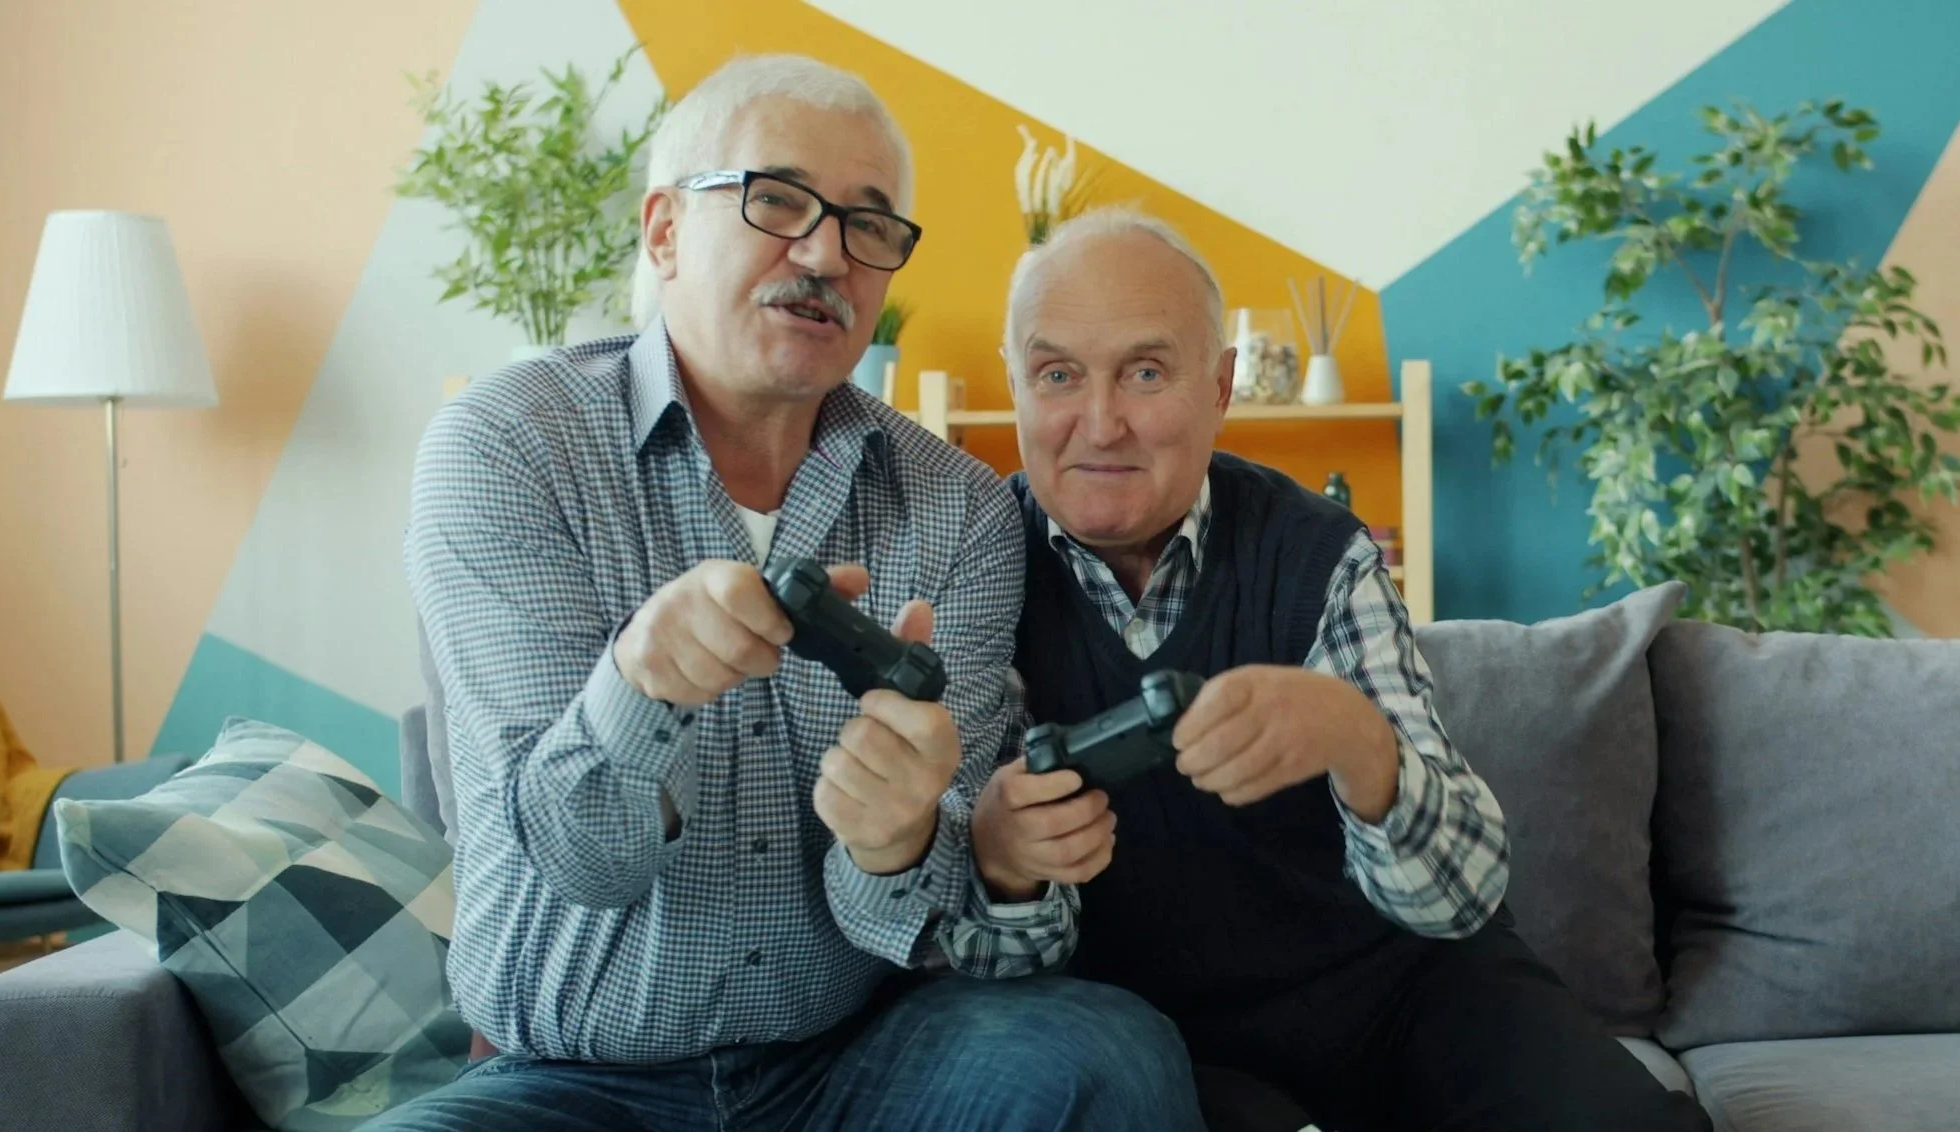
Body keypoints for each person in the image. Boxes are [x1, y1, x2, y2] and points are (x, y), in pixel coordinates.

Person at [388, 58, 1203, 1132]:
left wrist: (895, 838)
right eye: (775, 200)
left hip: (855, 1061)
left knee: (1107, 1054)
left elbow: (936, 918)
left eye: (870, 225)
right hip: (572, 1080)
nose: (824, 252)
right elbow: (581, 857)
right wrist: (638, 687)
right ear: (666, 230)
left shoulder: (956, 506)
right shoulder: (508, 450)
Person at [969, 207, 1715, 1132]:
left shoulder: (1319, 554)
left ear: (1221, 386)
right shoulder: (977, 569)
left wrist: (1359, 744)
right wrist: (1004, 868)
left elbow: (1459, 899)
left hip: (1407, 991)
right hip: (1165, 1037)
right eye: (1056, 375)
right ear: (1016, 389)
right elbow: (991, 972)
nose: (1100, 422)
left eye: (1146, 372)